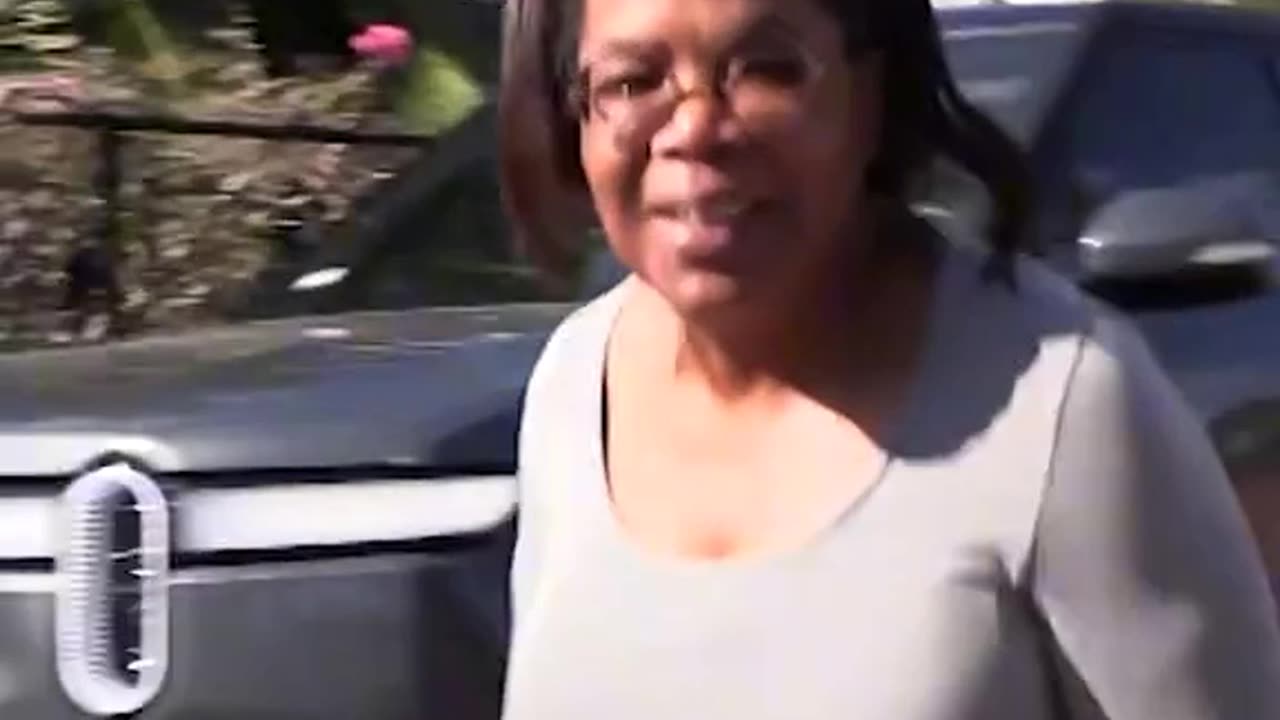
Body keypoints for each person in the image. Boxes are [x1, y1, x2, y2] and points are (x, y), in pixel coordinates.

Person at [497, 0, 1280, 717]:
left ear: (870, 93)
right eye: (633, 82)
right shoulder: (573, 388)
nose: (695, 128)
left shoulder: (1062, 405)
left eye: (767, 68)